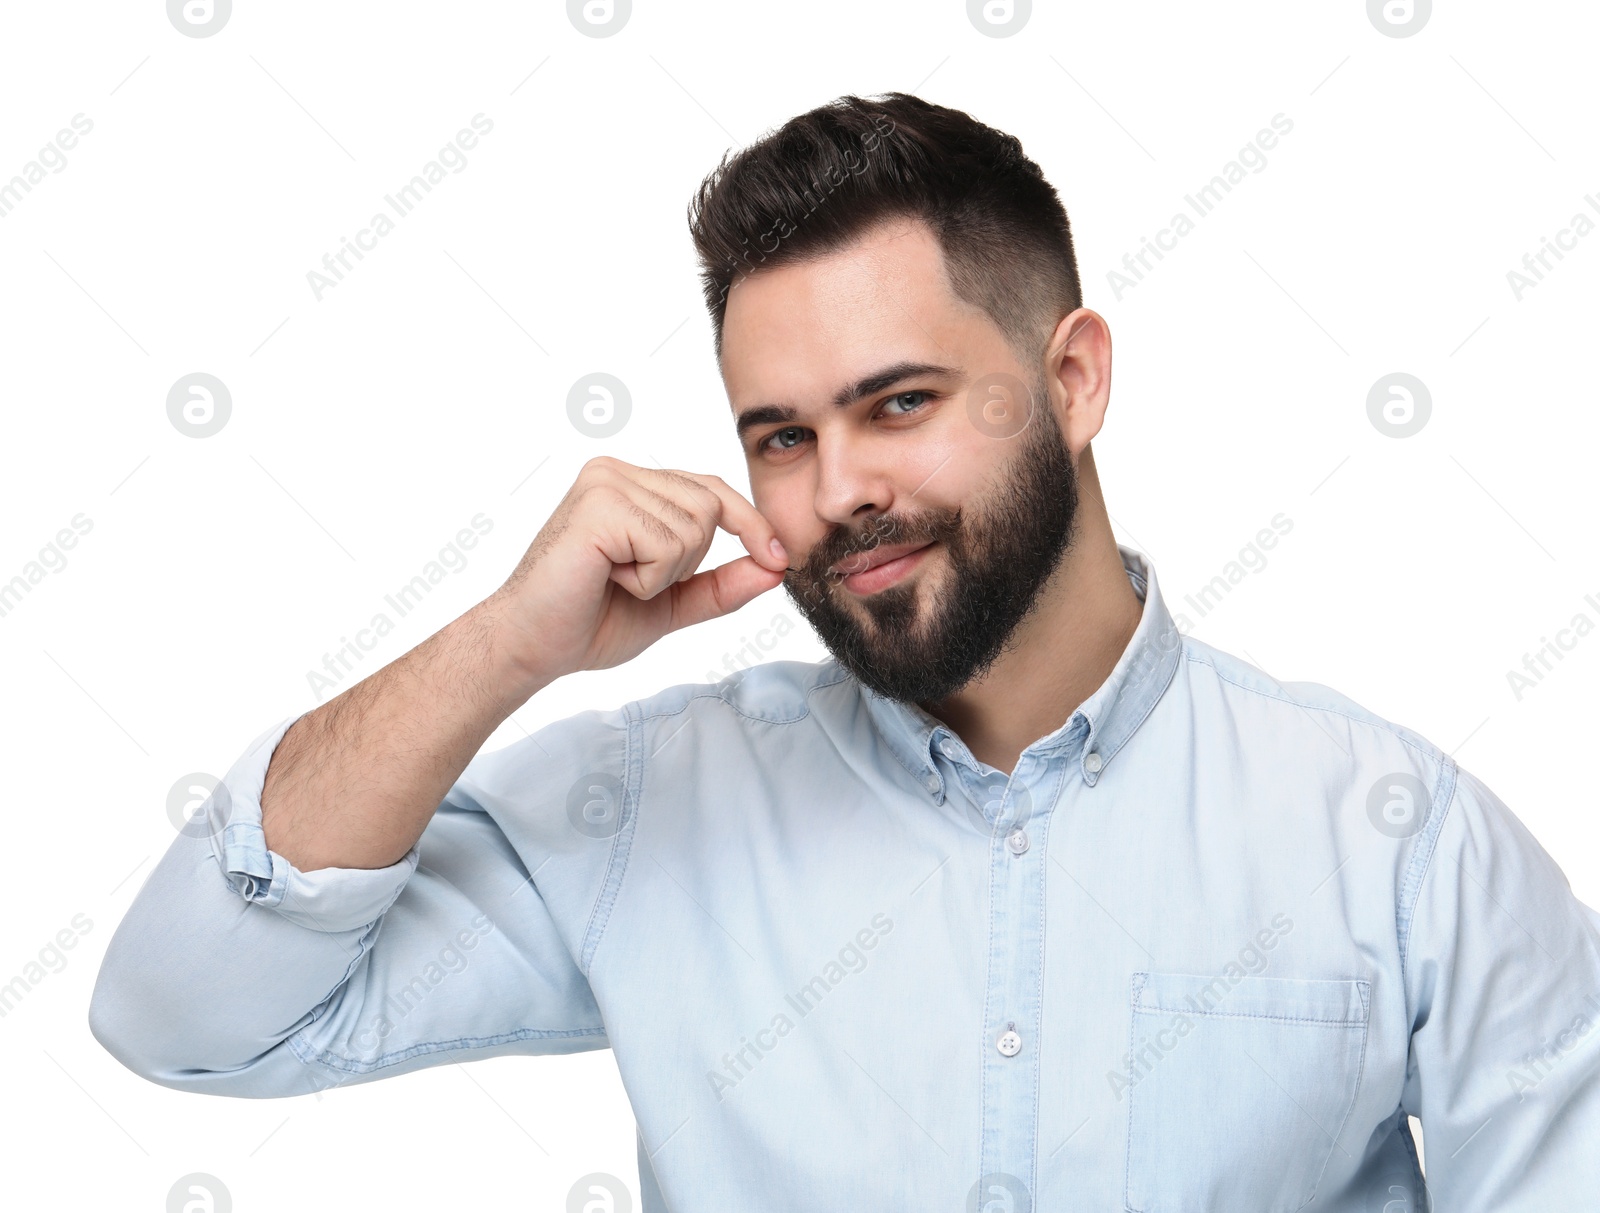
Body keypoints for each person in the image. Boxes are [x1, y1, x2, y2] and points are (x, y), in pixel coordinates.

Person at [89, 93, 1600, 1211]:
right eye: (782, 436)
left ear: (1071, 380)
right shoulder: (653, 811)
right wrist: (505, 646)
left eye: (898, 404)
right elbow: (189, 1017)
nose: (840, 490)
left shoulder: (1400, 840)